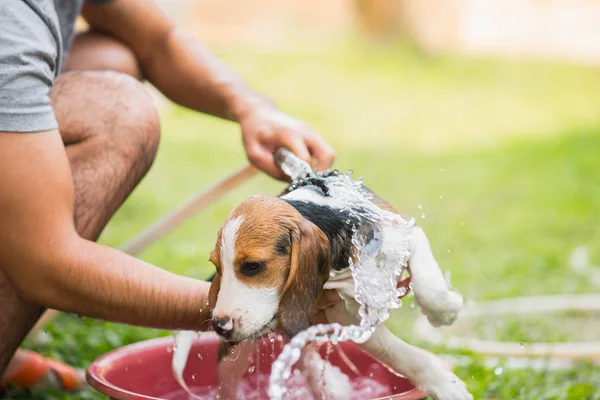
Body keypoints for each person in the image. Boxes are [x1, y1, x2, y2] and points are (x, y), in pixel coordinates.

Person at [0, 0, 338, 392]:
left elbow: (157, 39)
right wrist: (236, 306)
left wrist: (252, 108)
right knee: (118, 110)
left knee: (113, 57)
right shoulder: (13, 25)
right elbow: (44, 263)